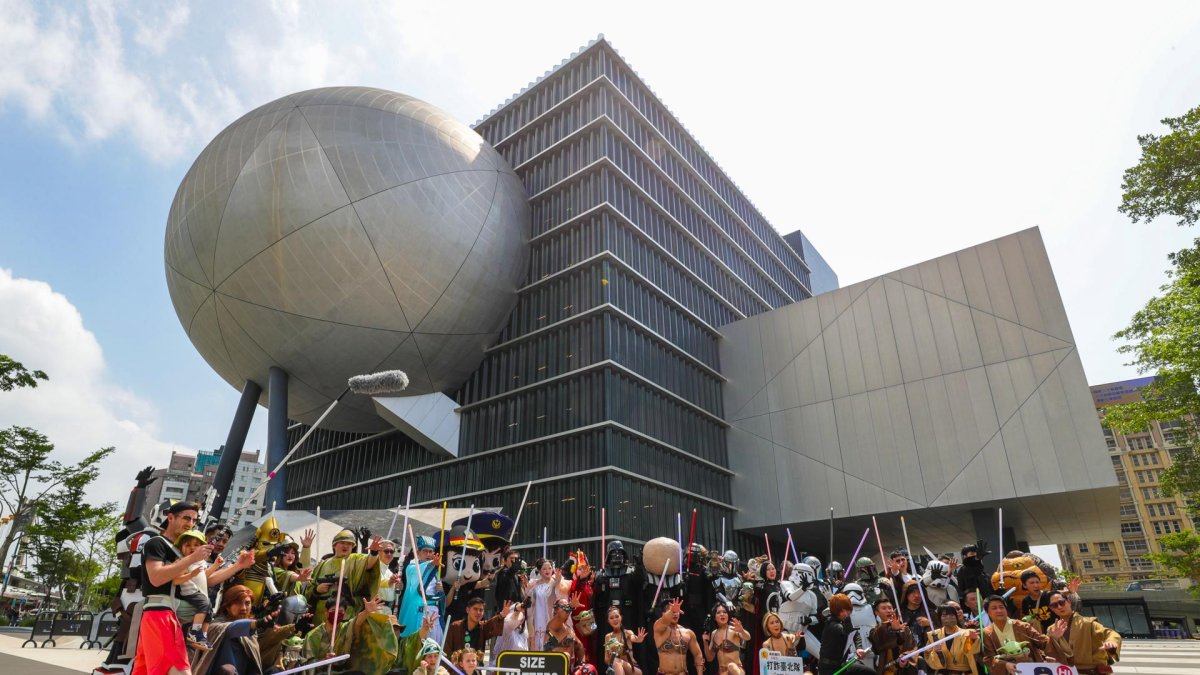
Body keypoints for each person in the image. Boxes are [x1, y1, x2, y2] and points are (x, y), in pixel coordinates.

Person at [133, 501, 212, 675]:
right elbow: (156, 577)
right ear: (170, 518)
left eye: (194, 520)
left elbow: (202, 580)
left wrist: (238, 566)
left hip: (171, 617)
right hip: (161, 614)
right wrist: (192, 558)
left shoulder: (181, 551)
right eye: (186, 518)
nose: (190, 524)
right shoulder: (157, 543)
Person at [192, 584, 293, 675]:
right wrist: (257, 623)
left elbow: (266, 644)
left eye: (247, 603)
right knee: (228, 670)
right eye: (238, 603)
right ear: (227, 606)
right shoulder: (216, 626)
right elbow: (232, 628)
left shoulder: (251, 628)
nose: (244, 608)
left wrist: (295, 627)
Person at [308, 528, 385, 625]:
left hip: (345, 613)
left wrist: (373, 553)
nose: (346, 546)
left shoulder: (355, 559)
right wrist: (317, 589)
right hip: (321, 614)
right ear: (334, 545)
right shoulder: (322, 564)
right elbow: (309, 587)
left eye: (349, 544)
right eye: (342, 543)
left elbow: (368, 563)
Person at [1044, 590, 1121, 673]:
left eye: (1061, 602)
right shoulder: (1051, 629)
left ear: (1069, 602)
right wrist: (1054, 639)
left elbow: (1110, 633)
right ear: (1051, 608)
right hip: (1066, 671)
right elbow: (1047, 651)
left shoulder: (1088, 623)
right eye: (1054, 605)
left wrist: (1111, 642)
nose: (1059, 607)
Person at [980, 594, 1048, 673]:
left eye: (1001, 607)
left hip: (1031, 669)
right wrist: (1005, 664)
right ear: (987, 612)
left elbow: (1042, 642)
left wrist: (1053, 637)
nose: (999, 610)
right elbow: (989, 658)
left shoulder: (1022, 626)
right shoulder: (987, 633)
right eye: (994, 608)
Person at [174, 529, 215, 651]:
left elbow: (205, 575)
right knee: (205, 604)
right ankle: (194, 631)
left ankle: (202, 636)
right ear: (181, 548)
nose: (192, 548)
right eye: (187, 545)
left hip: (200, 593)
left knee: (209, 610)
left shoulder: (201, 562)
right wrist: (190, 575)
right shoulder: (183, 561)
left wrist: (216, 565)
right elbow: (176, 580)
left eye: (196, 545)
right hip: (190, 592)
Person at [399, 535, 444, 640]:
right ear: (418, 553)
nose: (428, 554)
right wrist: (432, 563)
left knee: (432, 652)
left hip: (433, 617)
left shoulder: (436, 572)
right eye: (425, 551)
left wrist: (440, 591)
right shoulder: (411, 568)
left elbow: (438, 597)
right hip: (418, 616)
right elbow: (418, 574)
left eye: (430, 552)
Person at [817, 594, 871, 675]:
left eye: (847, 609)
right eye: (842, 610)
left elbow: (855, 633)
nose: (846, 613)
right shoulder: (832, 625)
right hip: (828, 669)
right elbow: (846, 632)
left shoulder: (844, 620)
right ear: (836, 610)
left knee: (869, 672)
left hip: (843, 664)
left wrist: (859, 648)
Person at [922, 604, 979, 675]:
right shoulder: (934, 635)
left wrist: (972, 640)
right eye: (944, 616)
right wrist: (937, 652)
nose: (949, 617)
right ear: (939, 618)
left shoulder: (966, 633)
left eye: (952, 615)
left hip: (963, 672)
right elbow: (927, 655)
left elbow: (969, 651)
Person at [444, 596, 512, 655]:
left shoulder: (483, 627)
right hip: (457, 667)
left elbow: (491, 624)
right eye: (475, 609)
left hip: (476, 667)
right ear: (467, 610)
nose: (478, 612)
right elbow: (447, 650)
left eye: (481, 610)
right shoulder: (456, 626)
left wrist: (501, 615)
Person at [653, 598, 704, 675]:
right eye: (672, 611)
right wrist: (672, 611)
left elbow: (698, 655)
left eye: (677, 611)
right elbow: (664, 621)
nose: (675, 613)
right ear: (663, 614)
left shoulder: (688, 633)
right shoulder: (658, 628)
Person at [867, 596, 916, 675]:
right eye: (884, 608)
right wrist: (893, 629)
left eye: (890, 608)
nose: (888, 611)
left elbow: (912, 647)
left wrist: (905, 657)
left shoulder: (904, 628)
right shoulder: (874, 631)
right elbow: (878, 645)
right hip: (887, 670)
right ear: (876, 612)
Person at [525, 558, 565, 650]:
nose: (548, 571)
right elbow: (530, 604)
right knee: (538, 643)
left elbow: (559, 598)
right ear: (539, 570)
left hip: (552, 617)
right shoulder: (535, 585)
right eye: (544, 568)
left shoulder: (555, 582)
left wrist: (558, 582)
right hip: (538, 618)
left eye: (550, 568)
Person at [703, 601, 749, 675]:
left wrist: (742, 631)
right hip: (722, 672)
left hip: (736, 671)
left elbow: (747, 637)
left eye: (725, 612)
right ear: (714, 617)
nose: (722, 614)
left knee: (731, 666)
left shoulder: (733, 629)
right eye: (719, 612)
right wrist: (705, 643)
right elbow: (709, 658)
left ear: (728, 615)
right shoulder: (714, 633)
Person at [545, 596, 586, 668]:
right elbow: (561, 616)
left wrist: (581, 664)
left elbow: (579, 646)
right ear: (555, 610)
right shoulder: (552, 625)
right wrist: (571, 606)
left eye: (567, 606)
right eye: (563, 606)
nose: (567, 609)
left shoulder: (569, 629)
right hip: (552, 669)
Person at [603, 606, 646, 675]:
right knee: (615, 662)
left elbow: (633, 638)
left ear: (621, 617)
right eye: (611, 618)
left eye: (617, 616)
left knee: (616, 661)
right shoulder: (608, 637)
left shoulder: (628, 633)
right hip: (617, 669)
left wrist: (638, 639)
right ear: (608, 621)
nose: (614, 619)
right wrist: (614, 653)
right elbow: (606, 659)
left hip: (633, 669)